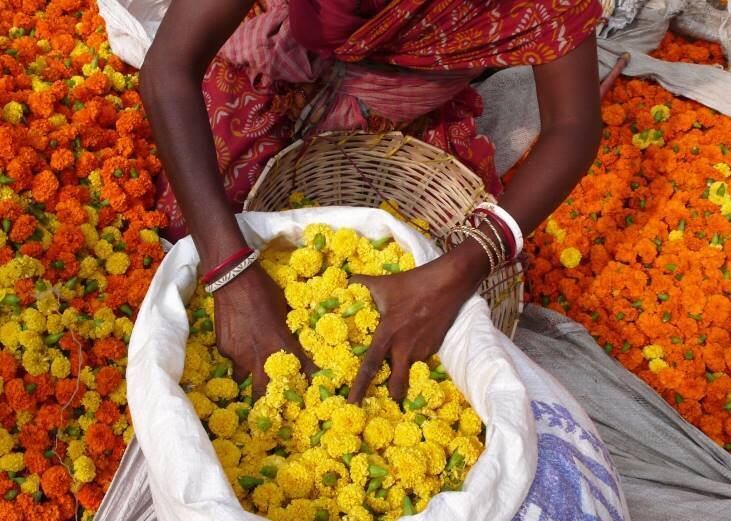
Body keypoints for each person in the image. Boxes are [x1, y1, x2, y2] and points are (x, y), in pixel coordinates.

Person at [139, 0, 604, 403]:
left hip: (405, 95)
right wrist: (231, 273)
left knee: (430, 239)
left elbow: (573, 126)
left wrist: (463, 266)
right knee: (190, 225)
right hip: (290, 55)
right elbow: (169, 68)